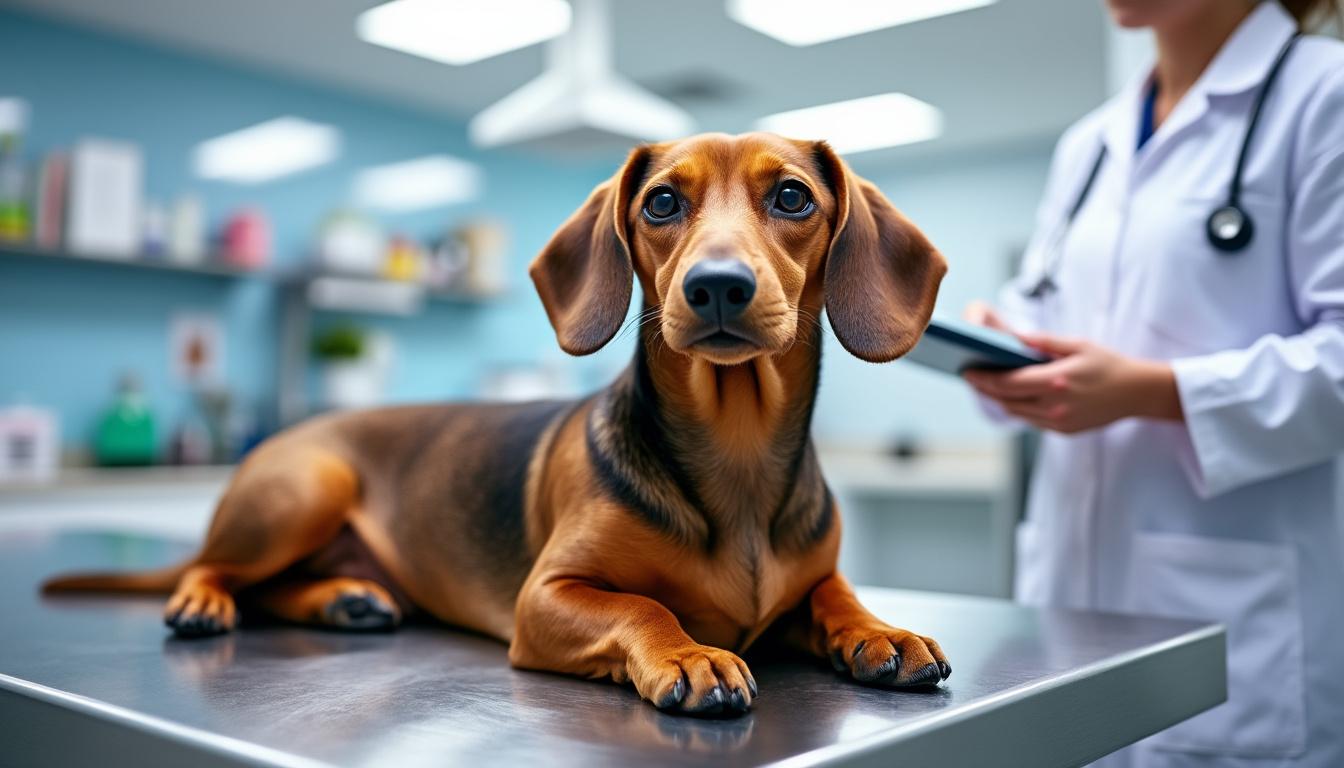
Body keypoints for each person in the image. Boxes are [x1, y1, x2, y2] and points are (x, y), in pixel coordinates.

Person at [963, 1, 1344, 765]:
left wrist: (1154, 390)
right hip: (1070, 592)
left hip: (1239, 610)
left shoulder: (1325, 97)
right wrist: (999, 348)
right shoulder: (1090, 145)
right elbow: (1047, 313)